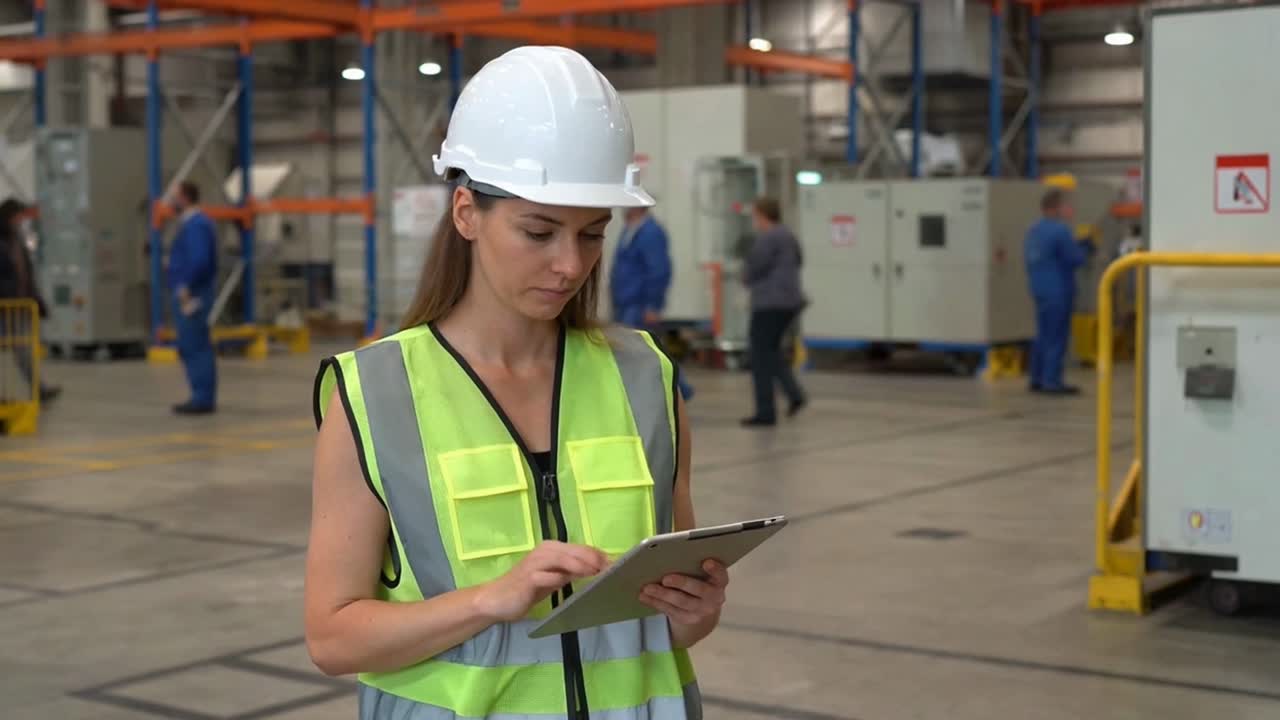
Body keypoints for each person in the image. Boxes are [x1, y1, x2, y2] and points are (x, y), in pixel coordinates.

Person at [305, 46, 720, 720]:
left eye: (592, 235)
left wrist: (692, 614)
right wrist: (487, 600)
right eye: (539, 231)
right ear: (466, 212)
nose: (569, 264)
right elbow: (331, 636)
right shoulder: (375, 394)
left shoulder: (647, 378)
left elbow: (666, 619)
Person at [609, 205, 694, 400]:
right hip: (625, 301)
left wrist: (653, 305)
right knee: (637, 351)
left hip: (639, 304)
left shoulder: (651, 233)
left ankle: (681, 390)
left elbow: (659, 270)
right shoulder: (630, 230)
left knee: (649, 352)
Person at [740, 196, 807, 427]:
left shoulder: (768, 238)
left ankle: (765, 411)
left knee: (760, 355)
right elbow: (799, 260)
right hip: (789, 302)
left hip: (769, 303)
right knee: (770, 351)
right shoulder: (788, 235)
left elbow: (754, 267)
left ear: (761, 215)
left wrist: (746, 276)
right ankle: (794, 394)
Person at [1024, 188, 1092, 395]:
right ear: (1056, 208)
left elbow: (1047, 255)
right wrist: (1086, 247)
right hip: (1058, 290)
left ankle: (1036, 378)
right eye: (1065, 206)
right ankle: (1051, 382)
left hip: (1039, 289)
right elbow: (1076, 259)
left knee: (1043, 335)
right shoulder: (1060, 231)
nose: (1069, 209)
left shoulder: (1033, 230)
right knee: (1057, 337)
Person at [0, 197, 59, 403]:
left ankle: (39, 390)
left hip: (19, 307)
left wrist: (37, 300)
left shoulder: (18, 241)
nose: (20, 221)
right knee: (17, 351)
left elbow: (26, 274)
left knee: (22, 351)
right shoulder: (3, 242)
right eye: (17, 217)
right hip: (5, 307)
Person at [166, 181, 218, 415]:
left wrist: (186, 285)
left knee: (195, 345)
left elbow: (199, 260)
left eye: (175, 196)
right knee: (194, 344)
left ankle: (202, 397)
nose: (171, 202)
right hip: (191, 292)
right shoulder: (191, 224)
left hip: (193, 295)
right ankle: (201, 395)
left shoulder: (196, 225)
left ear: (185, 198)